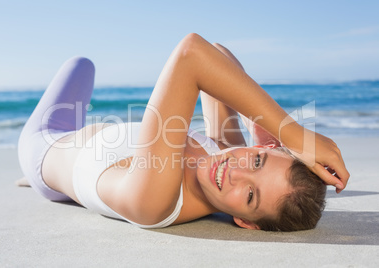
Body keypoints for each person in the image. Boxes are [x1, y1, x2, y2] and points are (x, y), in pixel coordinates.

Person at [18, 33, 349, 231]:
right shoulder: (223, 150)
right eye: (258, 161)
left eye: (250, 196)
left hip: (44, 144)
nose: (235, 173)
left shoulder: (155, 200)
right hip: (82, 143)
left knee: (81, 64)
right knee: (84, 65)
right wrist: (260, 127)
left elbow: (191, 54)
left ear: (247, 222)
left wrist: (294, 136)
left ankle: (30, 179)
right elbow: (218, 54)